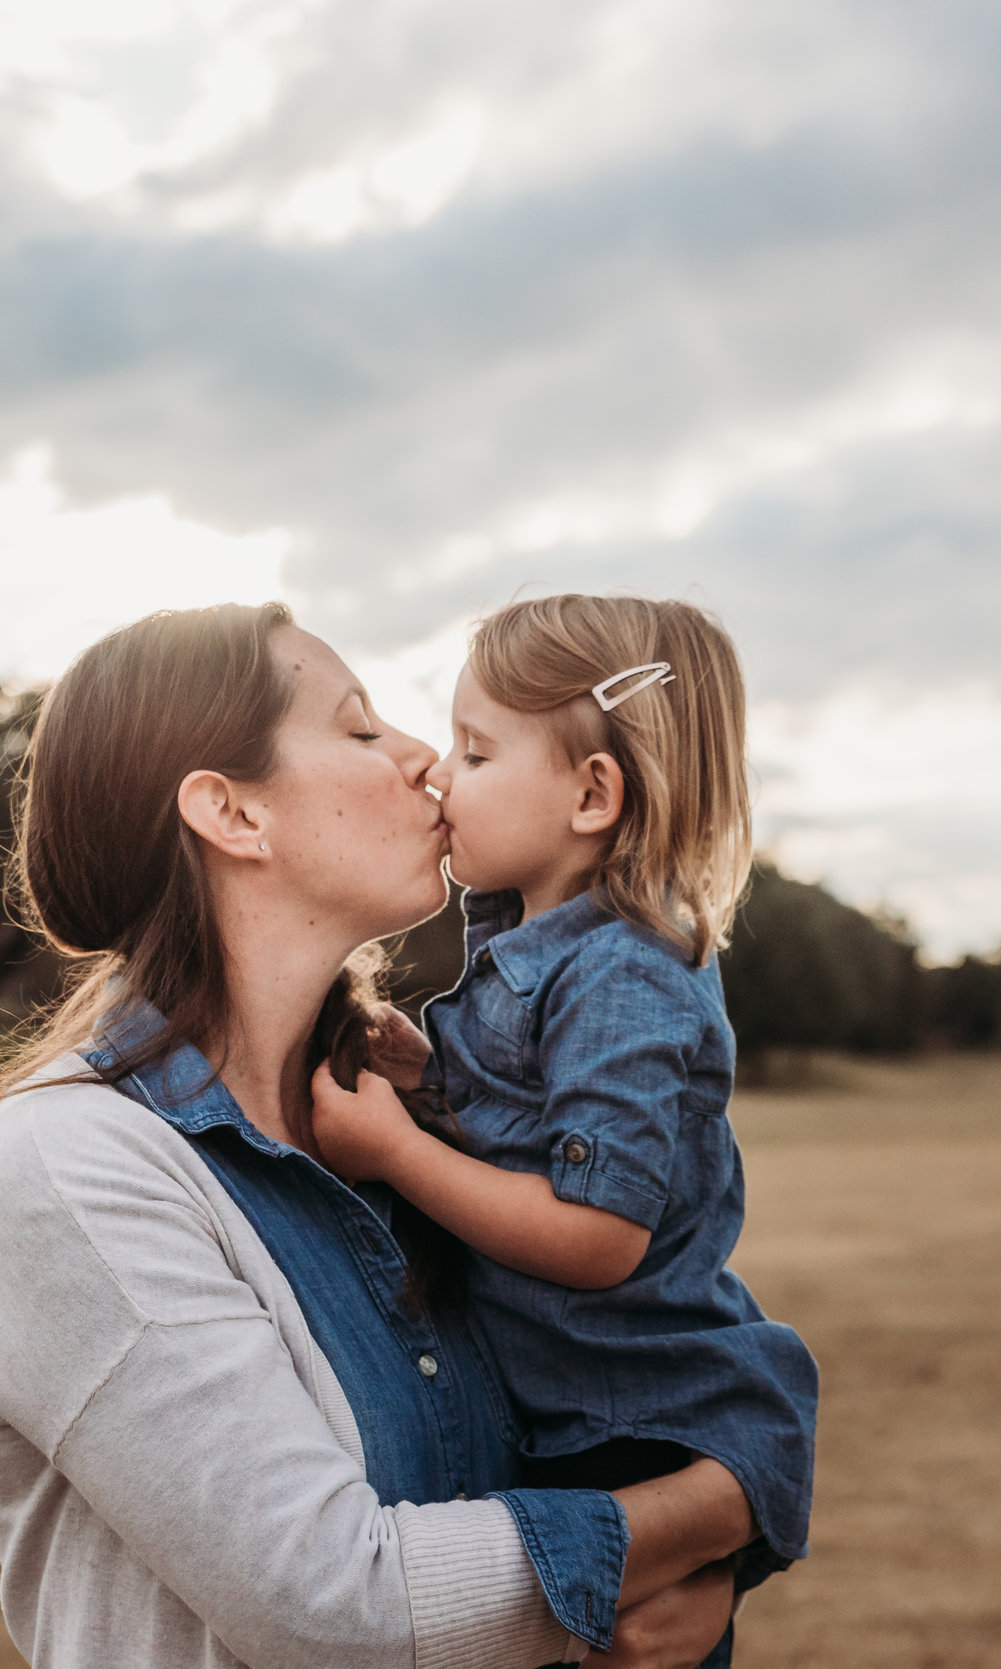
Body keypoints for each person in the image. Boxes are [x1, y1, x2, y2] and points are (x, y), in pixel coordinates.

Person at [0, 601, 757, 1669]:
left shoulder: (395, 1127)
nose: (424, 759)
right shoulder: (69, 1163)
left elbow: (595, 1391)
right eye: (363, 728)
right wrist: (708, 1511)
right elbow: (336, 1604)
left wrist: (688, 1582)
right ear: (232, 814)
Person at [310, 595, 819, 1667]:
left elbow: (596, 1236)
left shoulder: (625, 974)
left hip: (630, 1428)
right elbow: (535, 1129)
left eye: (477, 751)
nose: (441, 774)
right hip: (565, 1417)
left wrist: (401, 1150)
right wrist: (435, 1076)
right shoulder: (527, 941)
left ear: (592, 794)